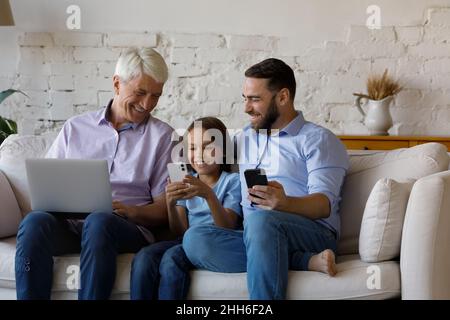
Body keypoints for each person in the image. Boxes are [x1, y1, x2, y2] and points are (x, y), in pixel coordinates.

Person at [182, 58, 350, 300]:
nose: (246, 108)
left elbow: (324, 205)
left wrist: (285, 203)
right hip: (254, 233)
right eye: (245, 98)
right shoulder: (245, 138)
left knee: (262, 221)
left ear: (283, 97)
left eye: (255, 99)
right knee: (195, 239)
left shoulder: (317, 140)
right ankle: (303, 261)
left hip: (312, 232)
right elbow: (206, 155)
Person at [15, 47, 174, 300]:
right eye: (140, 93)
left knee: (100, 220)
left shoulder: (163, 137)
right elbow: (45, 184)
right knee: (34, 222)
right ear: (116, 83)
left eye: (156, 95)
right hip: (71, 226)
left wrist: (131, 211)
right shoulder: (75, 127)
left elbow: (165, 208)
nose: (147, 104)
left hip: (124, 228)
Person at [130, 117, 242, 300]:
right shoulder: (184, 179)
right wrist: (171, 202)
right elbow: (179, 231)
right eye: (192, 148)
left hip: (211, 242)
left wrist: (209, 195)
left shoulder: (232, 181)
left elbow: (227, 226)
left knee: (171, 260)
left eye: (207, 146)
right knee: (144, 256)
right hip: (183, 240)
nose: (199, 154)